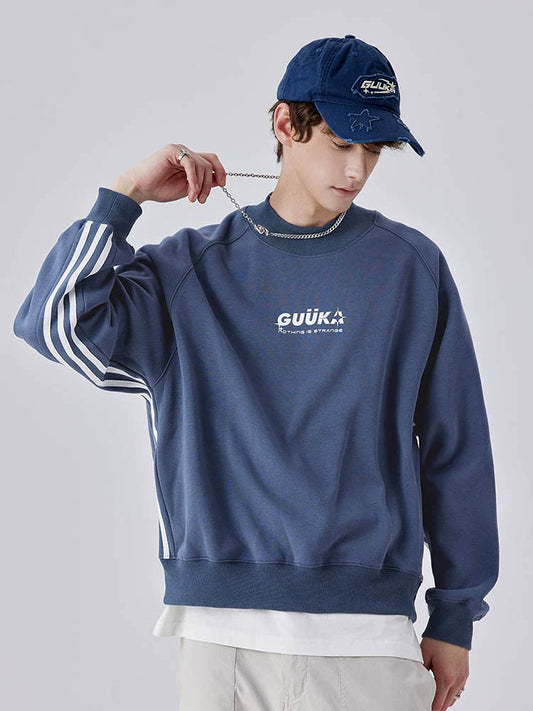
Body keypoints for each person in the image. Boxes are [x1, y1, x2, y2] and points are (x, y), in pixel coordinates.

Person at [12, 34, 499, 711]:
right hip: (221, 639)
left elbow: (455, 447)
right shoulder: (188, 271)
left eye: (374, 149)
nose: (356, 169)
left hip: (368, 638)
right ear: (285, 124)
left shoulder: (408, 267)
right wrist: (125, 195)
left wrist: (454, 615)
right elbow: (54, 322)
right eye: (340, 141)